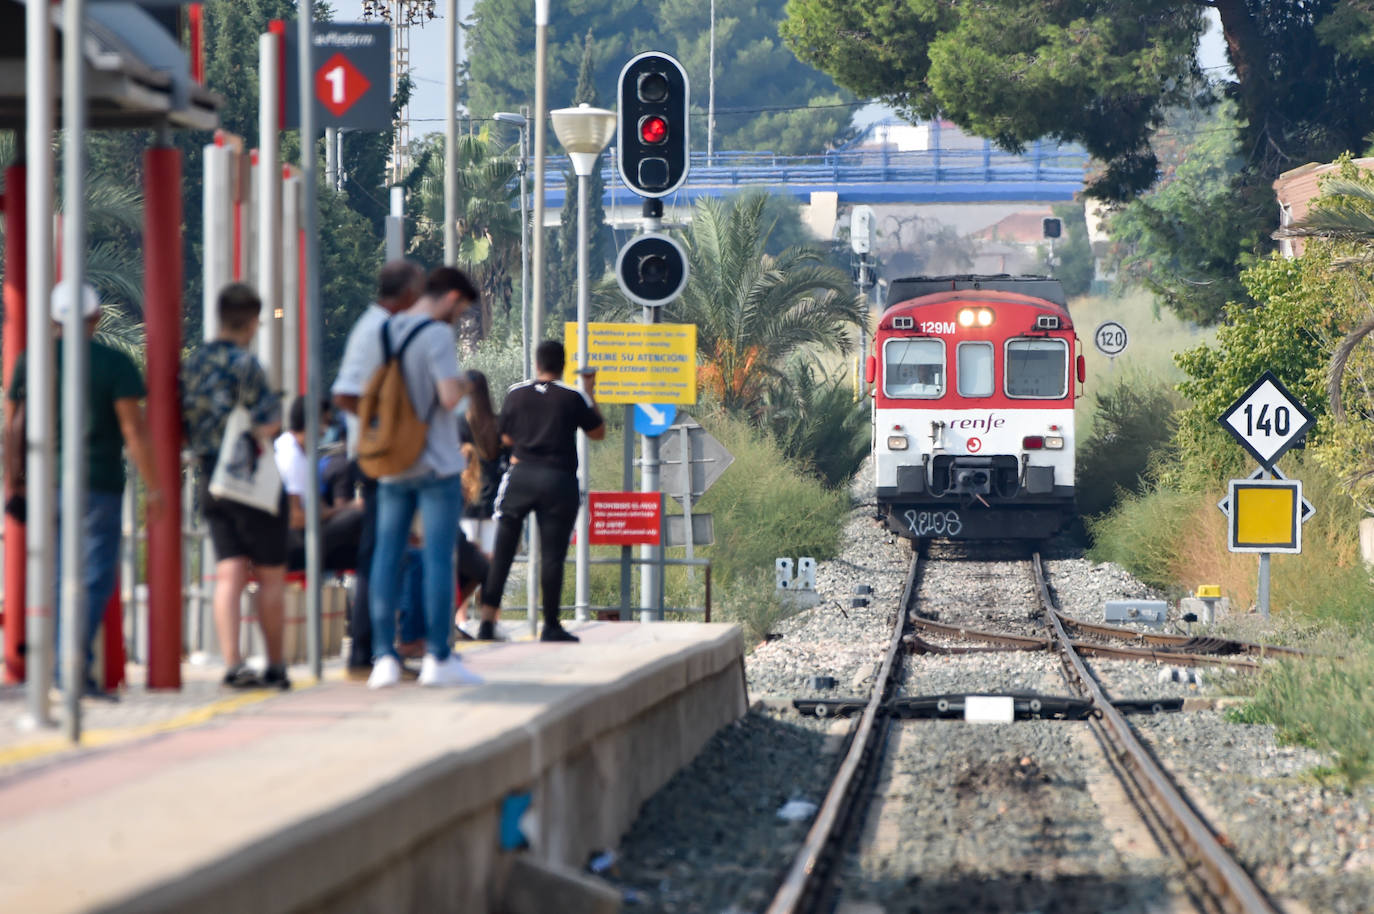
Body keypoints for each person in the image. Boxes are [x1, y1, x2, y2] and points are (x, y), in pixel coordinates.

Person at [4, 282, 163, 696]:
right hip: (98, 484)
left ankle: (62, 667)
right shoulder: (114, 364)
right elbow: (134, 430)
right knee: (93, 578)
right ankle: (71, 668)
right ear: (96, 319)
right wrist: (154, 489)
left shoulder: (30, 362)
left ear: (54, 321)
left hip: (43, 486)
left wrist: (12, 485)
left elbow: (11, 427)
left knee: (58, 576)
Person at [338, 266, 482, 689]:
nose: (458, 317)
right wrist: (467, 385)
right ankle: (439, 657)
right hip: (435, 462)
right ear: (452, 298)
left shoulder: (382, 331)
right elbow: (448, 396)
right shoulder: (436, 335)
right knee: (439, 558)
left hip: (392, 463)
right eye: (461, 309)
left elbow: (360, 392)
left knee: (386, 556)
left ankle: (384, 657)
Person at [181, 283, 290, 690]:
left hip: (211, 476)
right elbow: (268, 424)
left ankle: (233, 663)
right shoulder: (247, 365)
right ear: (250, 319)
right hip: (252, 477)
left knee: (228, 571)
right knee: (270, 574)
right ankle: (275, 665)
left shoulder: (194, 364)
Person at [331, 260, 424, 681]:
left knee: (386, 552)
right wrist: (383, 431)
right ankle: (368, 651)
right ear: (404, 293)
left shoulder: (387, 328)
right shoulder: (376, 332)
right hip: (376, 458)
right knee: (381, 554)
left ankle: (373, 650)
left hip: (379, 457)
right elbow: (347, 395)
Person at [478, 340, 605, 643]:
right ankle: (550, 625)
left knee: (503, 552)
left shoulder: (515, 393)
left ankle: (485, 622)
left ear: (537, 364)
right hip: (559, 481)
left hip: (521, 477)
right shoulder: (573, 396)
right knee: (553, 555)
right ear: (562, 365)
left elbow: (504, 436)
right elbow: (597, 432)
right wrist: (589, 391)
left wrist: (525, 442)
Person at [273, 396, 365, 573]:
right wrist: (348, 509)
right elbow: (296, 518)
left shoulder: (299, 452)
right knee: (358, 520)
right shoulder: (293, 459)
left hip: (301, 535)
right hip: (293, 542)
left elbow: (319, 506)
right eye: (324, 424)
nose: (324, 432)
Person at [457, 369, 503, 638]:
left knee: (463, 562)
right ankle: (490, 619)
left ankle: (460, 618)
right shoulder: (497, 424)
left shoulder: (458, 424)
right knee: (492, 566)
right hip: (493, 504)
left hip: (466, 502)